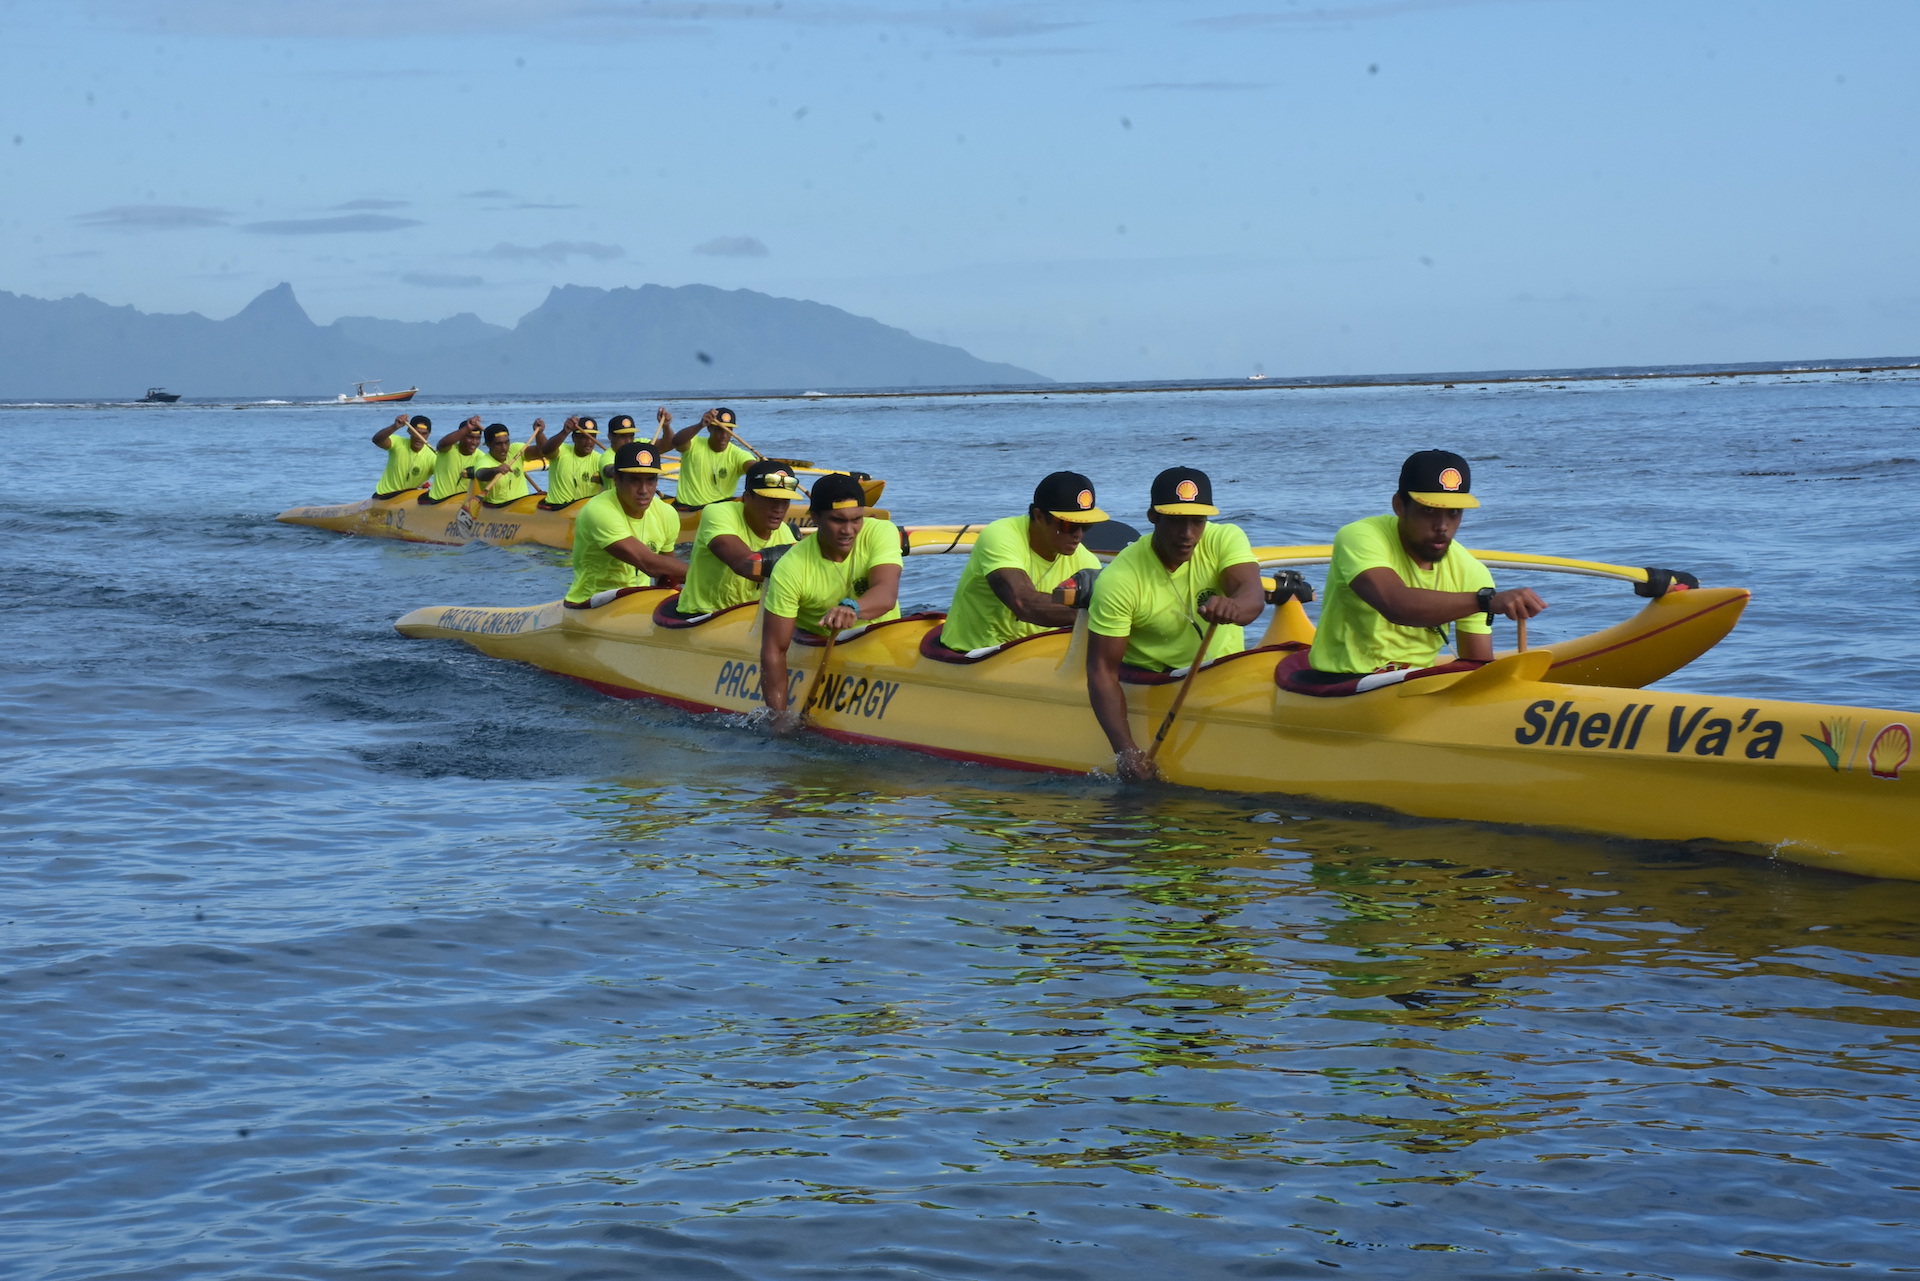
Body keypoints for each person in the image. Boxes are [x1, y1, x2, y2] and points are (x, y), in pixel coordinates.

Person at [1085, 466, 1266, 782]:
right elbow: (1101, 672)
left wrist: (1234, 606)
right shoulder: (1120, 580)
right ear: (1153, 517)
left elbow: (1252, 596)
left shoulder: (1225, 538)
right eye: (1176, 521)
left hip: (1223, 678)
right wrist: (1126, 752)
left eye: (1197, 521)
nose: (1188, 534)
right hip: (1159, 682)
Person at [1307, 448, 1546, 678]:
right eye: (1429, 511)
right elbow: (1395, 605)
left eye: (1454, 512)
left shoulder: (1472, 572)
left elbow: (1476, 665)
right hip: (1340, 683)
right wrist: (1486, 601)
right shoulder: (1360, 536)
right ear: (1399, 506)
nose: (1442, 526)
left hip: (1412, 684)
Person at [757, 473, 903, 727]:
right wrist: (779, 719)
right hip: (827, 649)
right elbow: (774, 651)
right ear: (814, 518)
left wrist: (853, 608)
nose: (849, 531)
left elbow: (886, 593)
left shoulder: (881, 532)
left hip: (884, 640)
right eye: (837, 521)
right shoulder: (791, 567)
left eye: (857, 520)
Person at [938, 471, 1106, 653]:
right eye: (1069, 525)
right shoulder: (1000, 535)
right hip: (971, 654)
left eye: (1086, 526)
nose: (1078, 534)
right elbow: (1022, 603)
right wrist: (1096, 614)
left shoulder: (1087, 562)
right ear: (1039, 516)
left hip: (1031, 657)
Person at [564, 441, 689, 609]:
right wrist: (706, 576)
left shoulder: (667, 514)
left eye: (650, 480)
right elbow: (650, 564)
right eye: (635, 481)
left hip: (639, 603)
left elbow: (667, 576)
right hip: (591, 604)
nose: (644, 490)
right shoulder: (598, 510)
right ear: (616, 480)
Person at [677, 460, 801, 616]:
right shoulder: (717, 513)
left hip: (747, 619)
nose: (779, 509)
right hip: (700, 615)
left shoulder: (785, 533)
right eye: (771, 500)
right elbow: (745, 564)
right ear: (747, 497)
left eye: (785, 501)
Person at [665, 407, 758, 510]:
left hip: (720, 510)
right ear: (709, 428)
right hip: (688, 510)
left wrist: (763, 468)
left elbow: (753, 468)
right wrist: (700, 425)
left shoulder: (738, 454)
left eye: (728, 431)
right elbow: (676, 442)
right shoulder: (693, 444)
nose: (724, 436)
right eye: (719, 430)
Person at [529, 415, 605, 509]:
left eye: (592, 436)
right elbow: (546, 451)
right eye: (584, 437)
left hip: (585, 512)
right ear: (573, 438)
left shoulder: (600, 459)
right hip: (557, 509)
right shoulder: (561, 451)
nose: (589, 441)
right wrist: (565, 432)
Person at [421, 415, 485, 504]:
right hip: (438, 502)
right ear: (461, 436)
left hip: (462, 505)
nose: (474, 442)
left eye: (478, 438)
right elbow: (442, 444)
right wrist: (467, 428)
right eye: (470, 437)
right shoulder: (447, 450)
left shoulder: (482, 458)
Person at [473, 422, 539, 504]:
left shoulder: (516, 450)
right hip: (498, 509)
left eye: (506, 442)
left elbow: (541, 452)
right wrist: (496, 470)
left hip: (522, 505)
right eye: (498, 444)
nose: (504, 448)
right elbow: (480, 475)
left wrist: (540, 434)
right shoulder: (484, 462)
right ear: (488, 444)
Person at [372, 412, 435, 498]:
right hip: (385, 496)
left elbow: (444, 475)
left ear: (429, 434)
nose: (419, 437)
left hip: (409, 500)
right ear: (409, 431)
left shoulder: (433, 456)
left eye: (424, 433)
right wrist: (395, 427)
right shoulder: (397, 442)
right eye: (416, 432)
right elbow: (377, 440)